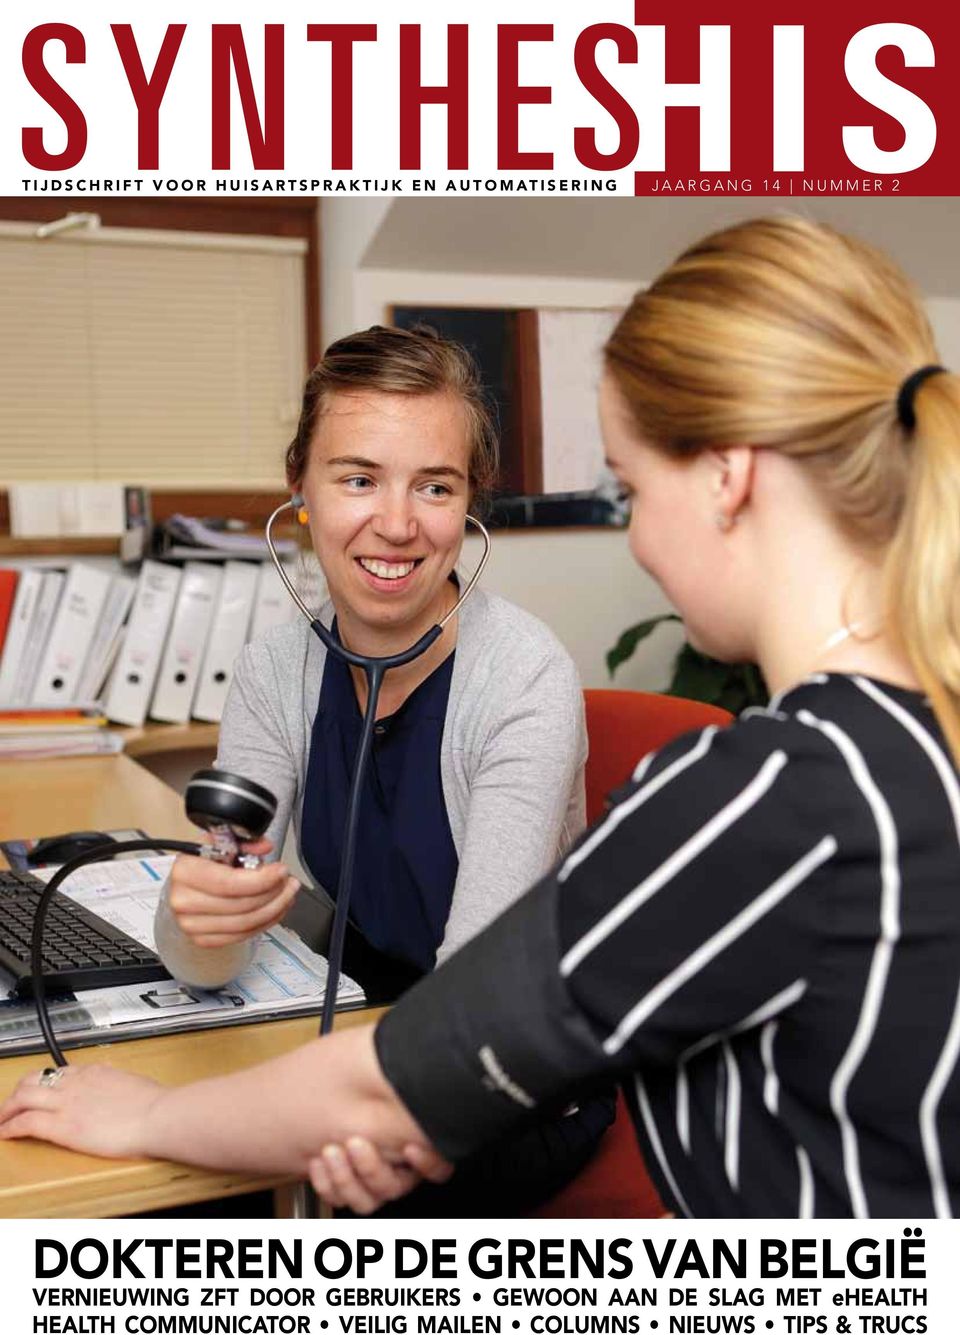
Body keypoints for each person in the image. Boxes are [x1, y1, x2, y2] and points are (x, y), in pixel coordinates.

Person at [4, 216, 960, 1219]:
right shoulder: (894, 750)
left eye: (630, 489)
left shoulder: (761, 801)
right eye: (357, 479)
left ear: (728, 478)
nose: (634, 537)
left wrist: (150, 1119)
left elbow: (441, 1054)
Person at [154, 322, 614, 1214]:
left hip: (508, 1074)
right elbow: (209, 958)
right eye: (358, 478)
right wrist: (199, 921)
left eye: (433, 486)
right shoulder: (273, 670)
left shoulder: (523, 679)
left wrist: (162, 1116)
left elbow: (465, 1025)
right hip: (369, 1024)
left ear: (470, 502)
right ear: (303, 491)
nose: (397, 524)